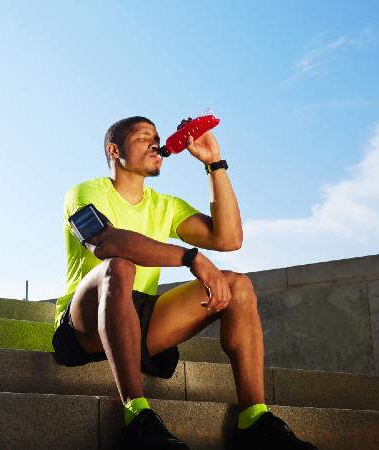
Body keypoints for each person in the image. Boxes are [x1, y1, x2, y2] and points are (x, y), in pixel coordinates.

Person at [51, 116, 316, 450]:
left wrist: (214, 163)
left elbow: (229, 237)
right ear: (113, 150)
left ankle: (253, 420)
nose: (155, 143)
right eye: (143, 137)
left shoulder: (166, 205)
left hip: (141, 320)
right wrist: (191, 258)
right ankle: (137, 416)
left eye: (157, 137)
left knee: (238, 286)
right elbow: (104, 242)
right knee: (117, 267)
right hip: (84, 322)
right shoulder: (85, 191)